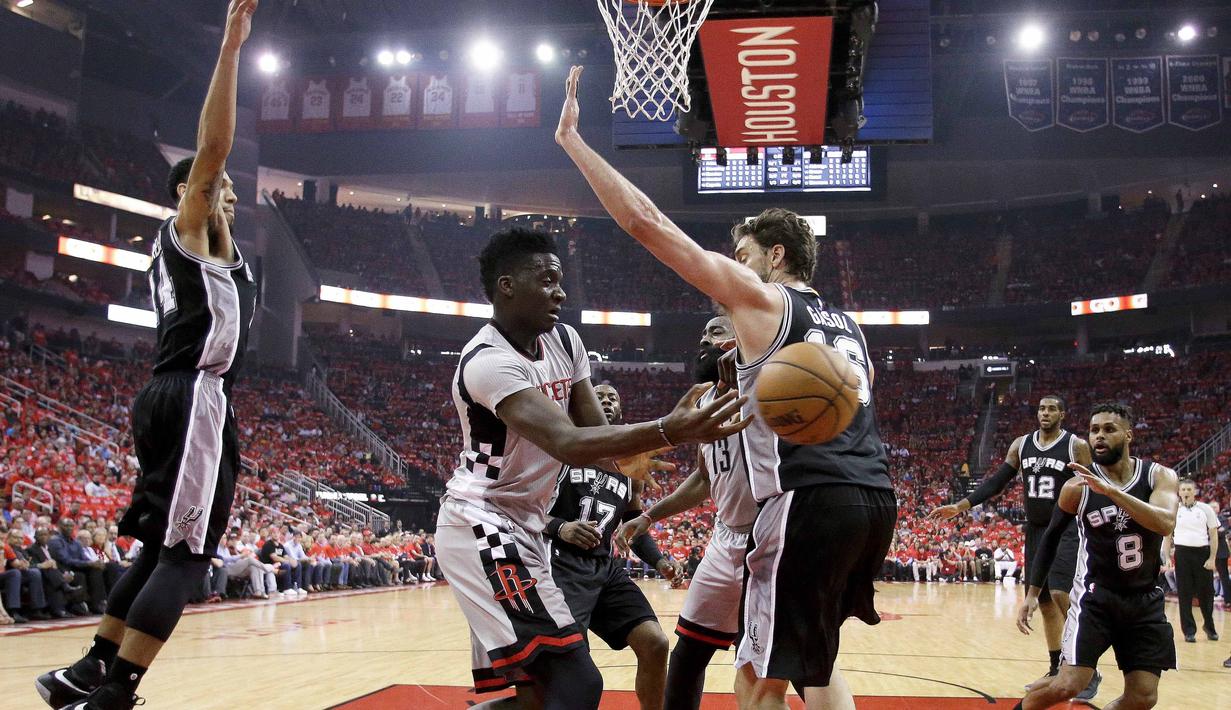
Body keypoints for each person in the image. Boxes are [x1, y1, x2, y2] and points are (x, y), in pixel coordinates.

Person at [557, 66, 896, 710]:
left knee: (757, 675)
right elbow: (854, 401)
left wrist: (575, 143)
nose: (732, 268)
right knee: (817, 665)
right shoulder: (850, 326)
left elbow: (648, 223)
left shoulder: (762, 300)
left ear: (773, 258)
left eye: (741, 254)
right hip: (873, 496)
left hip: (804, 500)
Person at [35, 3, 260, 709]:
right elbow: (213, 146)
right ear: (189, 193)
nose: (225, 192)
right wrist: (229, 51)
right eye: (214, 184)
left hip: (176, 392)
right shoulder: (191, 226)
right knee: (187, 558)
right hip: (193, 393)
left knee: (159, 549)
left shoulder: (202, 251)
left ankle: (88, 669)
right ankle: (115, 695)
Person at [434, 227, 749, 710]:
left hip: (529, 527)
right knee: (576, 682)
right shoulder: (487, 361)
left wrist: (633, 459)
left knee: (543, 694)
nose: (560, 291)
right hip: (483, 523)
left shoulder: (564, 339)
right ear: (507, 285)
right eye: (546, 280)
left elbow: (598, 438)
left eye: (561, 280)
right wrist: (669, 429)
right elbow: (569, 443)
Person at [618, 315, 760, 710]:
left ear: (741, 339)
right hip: (726, 536)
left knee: (766, 662)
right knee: (688, 653)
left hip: (769, 534)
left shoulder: (765, 385)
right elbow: (702, 478)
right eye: (702, 333)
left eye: (716, 332)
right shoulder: (700, 401)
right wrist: (648, 516)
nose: (704, 339)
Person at [512, 383, 679, 710]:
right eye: (598, 395)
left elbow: (633, 524)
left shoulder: (629, 466)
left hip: (604, 568)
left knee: (656, 643)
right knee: (575, 666)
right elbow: (520, 509)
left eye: (612, 397)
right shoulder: (560, 449)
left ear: (620, 411)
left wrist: (659, 562)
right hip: (558, 564)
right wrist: (562, 528)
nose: (605, 399)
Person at [929, 395, 1099, 699]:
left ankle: (1088, 668)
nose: (1045, 413)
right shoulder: (1022, 445)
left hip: (1068, 527)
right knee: (1044, 602)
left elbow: (1094, 484)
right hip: (1035, 530)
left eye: (1051, 409)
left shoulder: (1076, 445)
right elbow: (998, 481)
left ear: (1062, 413)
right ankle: (1055, 667)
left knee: (1062, 593)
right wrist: (962, 505)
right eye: (1041, 408)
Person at [1016, 402, 1179, 710]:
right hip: (1095, 598)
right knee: (1067, 684)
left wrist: (1113, 492)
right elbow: (1049, 539)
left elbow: (1165, 522)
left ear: (1128, 435)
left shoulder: (1159, 476)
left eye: (1108, 429)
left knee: (1143, 696)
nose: (1099, 436)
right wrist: (1033, 594)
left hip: (1144, 600)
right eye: (1093, 431)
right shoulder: (1077, 487)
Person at [1161, 478, 1221, 642]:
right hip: (1182, 554)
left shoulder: (1205, 509)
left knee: (1206, 594)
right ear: (1179, 492)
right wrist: (1166, 557)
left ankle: (1209, 627)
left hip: (1202, 553)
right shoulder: (1173, 510)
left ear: (1195, 492)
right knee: (1184, 594)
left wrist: (1212, 558)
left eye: (1189, 489)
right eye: (1183, 489)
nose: (1186, 492)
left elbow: (1214, 534)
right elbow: (1167, 535)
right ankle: (1189, 631)